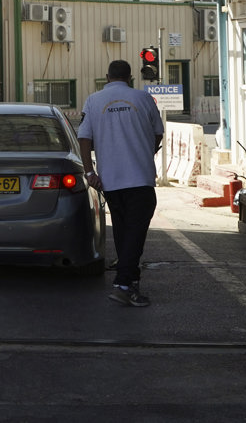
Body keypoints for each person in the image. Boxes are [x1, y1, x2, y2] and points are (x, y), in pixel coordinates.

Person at [77, 59, 164, 308]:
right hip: (140, 177)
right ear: (130, 78)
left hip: (111, 181)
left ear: (107, 77)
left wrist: (89, 172)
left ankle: (131, 282)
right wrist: (146, 151)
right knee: (135, 234)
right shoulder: (143, 98)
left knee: (125, 232)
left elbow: (84, 137)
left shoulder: (93, 101)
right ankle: (123, 284)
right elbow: (158, 132)